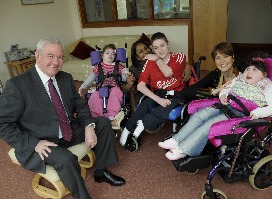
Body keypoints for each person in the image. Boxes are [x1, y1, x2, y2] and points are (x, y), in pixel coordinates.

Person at [0, 37, 125, 199]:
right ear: (38, 56)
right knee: (66, 158)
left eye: (60, 57)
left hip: (67, 130)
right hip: (41, 140)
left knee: (102, 122)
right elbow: (2, 123)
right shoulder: (18, 85)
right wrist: (34, 144)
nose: (56, 62)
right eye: (50, 56)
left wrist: (88, 125)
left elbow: (80, 105)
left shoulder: (65, 78)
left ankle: (100, 172)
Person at [159, 59, 272, 160]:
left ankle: (183, 150)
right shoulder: (239, 79)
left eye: (255, 70)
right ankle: (176, 140)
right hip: (225, 105)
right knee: (199, 115)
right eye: (248, 68)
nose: (249, 71)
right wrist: (223, 94)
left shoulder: (267, 86)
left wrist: (258, 112)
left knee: (209, 125)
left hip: (240, 115)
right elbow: (227, 88)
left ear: (264, 75)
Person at [119, 32, 187, 147]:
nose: (160, 50)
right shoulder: (149, 62)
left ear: (168, 44)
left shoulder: (179, 56)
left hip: (177, 93)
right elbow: (140, 86)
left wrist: (156, 60)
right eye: (156, 48)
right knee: (145, 104)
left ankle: (141, 125)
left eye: (162, 46)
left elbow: (168, 72)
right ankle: (127, 129)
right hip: (159, 93)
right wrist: (158, 99)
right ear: (153, 49)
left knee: (164, 109)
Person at [78, 44, 128, 129]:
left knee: (116, 91)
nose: (110, 55)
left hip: (114, 87)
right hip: (101, 89)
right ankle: (94, 115)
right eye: (107, 53)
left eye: (113, 54)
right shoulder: (98, 67)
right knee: (94, 95)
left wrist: (125, 72)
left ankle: (111, 115)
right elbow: (91, 78)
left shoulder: (119, 66)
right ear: (102, 55)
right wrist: (82, 87)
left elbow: (124, 77)